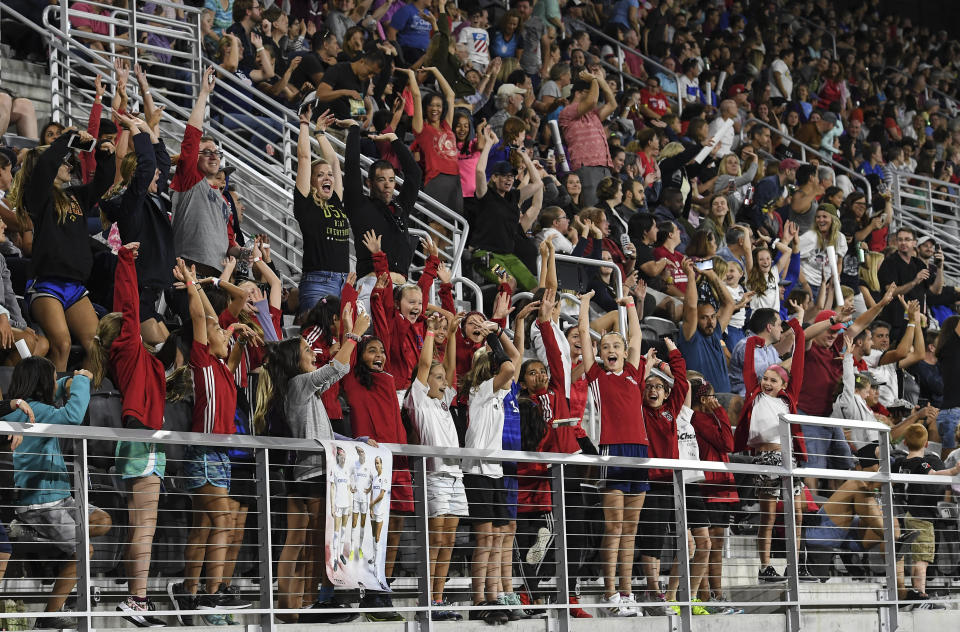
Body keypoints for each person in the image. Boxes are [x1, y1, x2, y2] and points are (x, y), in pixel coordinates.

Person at [255, 305, 371, 622]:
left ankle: (294, 604)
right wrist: (355, 334)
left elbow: (326, 432)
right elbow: (337, 368)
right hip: (315, 473)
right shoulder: (298, 384)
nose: (313, 354)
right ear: (295, 360)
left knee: (302, 540)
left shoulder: (306, 392)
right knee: (318, 540)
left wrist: (355, 442)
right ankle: (315, 599)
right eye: (307, 350)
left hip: (308, 472)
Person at [168, 258, 260, 620]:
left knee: (205, 526)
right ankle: (214, 592)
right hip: (204, 452)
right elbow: (202, 319)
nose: (223, 333)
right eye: (221, 333)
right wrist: (194, 286)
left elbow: (223, 333)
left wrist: (238, 338)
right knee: (221, 521)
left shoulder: (224, 366)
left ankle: (190, 594)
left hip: (218, 453)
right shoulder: (204, 360)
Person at [86, 243, 170, 627]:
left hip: (136, 441)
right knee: (146, 529)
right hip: (144, 442)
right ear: (126, 331)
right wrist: (127, 260)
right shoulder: (129, 347)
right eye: (133, 323)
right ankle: (137, 600)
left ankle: (137, 598)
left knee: (142, 527)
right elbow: (129, 302)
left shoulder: (131, 355)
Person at [7, 127, 111, 372]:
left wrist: (105, 157)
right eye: (65, 162)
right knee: (62, 344)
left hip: (75, 286)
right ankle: (49, 405)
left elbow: (103, 184)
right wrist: (66, 140)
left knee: (97, 348)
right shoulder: (38, 196)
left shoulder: (75, 196)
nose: (70, 167)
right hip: (46, 285)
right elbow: (45, 167)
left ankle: (75, 398)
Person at [576, 290, 648, 617]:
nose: (612, 350)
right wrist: (584, 305)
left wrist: (630, 306)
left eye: (616, 346)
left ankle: (627, 592)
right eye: (606, 347)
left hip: (640, 453)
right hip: (611, 451)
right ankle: (610, 594)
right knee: (614, 527)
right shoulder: (596, 377)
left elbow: (637, 336)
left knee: (631, 530)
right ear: (600, 354)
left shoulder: (633, 372)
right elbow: (583, 333)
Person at [732, 306, 812, 583]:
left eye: (773, 380)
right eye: (765, 378)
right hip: (767, 461)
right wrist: (755, 342)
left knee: (797, 515)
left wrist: (797, 329)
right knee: (769, 516)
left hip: (790, 461)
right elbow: (746, 369)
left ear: (784, 384)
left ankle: (795, 564)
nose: (766, 382)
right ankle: (765, 567)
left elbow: (799, 360)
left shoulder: (788, 399)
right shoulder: (755, 395)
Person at [403, 315, 467, 621]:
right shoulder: (418, 399)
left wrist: (452, 334)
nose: (443, 382)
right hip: (434, 475)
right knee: (436, 539)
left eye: (443, 379)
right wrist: (430, 331)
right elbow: (427, 365)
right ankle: (425, 602)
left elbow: (451, 369)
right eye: (437, 378)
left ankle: (437, 600)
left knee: (450, 541)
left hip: (455, 477)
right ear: (425, 380)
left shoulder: (443, 402)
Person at [459, 322, 520, 625]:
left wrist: (499, 332)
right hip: (477, 471)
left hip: (493, 471)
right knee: (485, 538)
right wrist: (494, 336)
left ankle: (494, 596)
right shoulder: (480, 390)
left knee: (496, 538)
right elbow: (508, 367)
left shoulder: (496, 394)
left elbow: (514, 358)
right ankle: (479, 600)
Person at [170, 67, 231, 277]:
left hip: (218, 275)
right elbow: (191, 137)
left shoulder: (224, 201)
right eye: (206, 152)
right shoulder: (191, 180)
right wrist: (204, 93)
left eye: (216, 152)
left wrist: (244, 253)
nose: (214, 156)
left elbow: (229, 244)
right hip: (190, 269)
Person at [294, 107, 351, 315]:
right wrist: (304, 124)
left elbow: (335, 162)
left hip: (343, 281)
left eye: (329, 175)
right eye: (320, 175)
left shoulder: (335, 201)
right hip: (318, 283)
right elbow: (304, 159)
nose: (327, 177)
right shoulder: (305, 204)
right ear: (310, 182)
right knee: (315, 342)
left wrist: (320, 134)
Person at [471, 126, 544, 291]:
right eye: (504, 176)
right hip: (486, 256)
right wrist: (489, 143)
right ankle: (501, 317)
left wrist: (525, 157)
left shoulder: (513, 197)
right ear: (495, 177)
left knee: (536, 289)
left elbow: (538, 183)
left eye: (511, 176)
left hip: (509, 256)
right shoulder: (486, 195)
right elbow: (480, 171)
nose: (509, 179)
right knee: (509, 282)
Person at [895, 424, 960, 601]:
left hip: (910, 513)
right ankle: (920, 592)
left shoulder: (901, 463)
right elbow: (934, 473)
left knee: (917, 555)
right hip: (922, 516)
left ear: (906, 443)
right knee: (922, 558)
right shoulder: (920, 462)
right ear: (925, 445)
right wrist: (953, 471)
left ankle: (917, 590)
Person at [405, 66, 464, 214]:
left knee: (452, 231)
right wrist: (412, 76)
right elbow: (417, 96)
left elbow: (450, 94)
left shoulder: (447, 126)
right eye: (431, 105)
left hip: (455, 180)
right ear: (426, 108)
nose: (435, 108)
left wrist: (435, 70)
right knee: (436, 226)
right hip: (436, 179)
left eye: (438, 105)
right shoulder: (421, 129)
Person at [558, 72, 616, 207]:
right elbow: (592, 101)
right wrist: (594, 80)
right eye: (589, 92)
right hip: (586, 167)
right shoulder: (567, 112)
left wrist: (601, 81)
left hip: (603, 166)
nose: (593, 94)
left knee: (608, 209)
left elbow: (612, 104)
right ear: (578, 93)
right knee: (592, 208)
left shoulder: (593, 114)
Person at [678, 259, 735, 394]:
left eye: (713, 316)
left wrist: (712, 275)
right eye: (704, 317)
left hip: (723, 399)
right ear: (695, 319)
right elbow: (691, 307)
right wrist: (691, 277)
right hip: (703, 401)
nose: (710, 322)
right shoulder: (691, 335)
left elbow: (729, 304)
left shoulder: (715, 333)